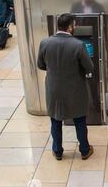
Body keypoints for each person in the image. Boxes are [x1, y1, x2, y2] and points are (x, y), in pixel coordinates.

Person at [37, 13, 94, 161]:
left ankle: (58, 151)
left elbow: (41, 65)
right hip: (75, 89)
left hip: (53, 89)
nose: (75, 28)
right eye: (74, 25)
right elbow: (89, 67)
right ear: (69, 27)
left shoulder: (45, 43)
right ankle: (84, 150)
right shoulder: (78, 44)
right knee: (80, 120)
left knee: (55, 121)